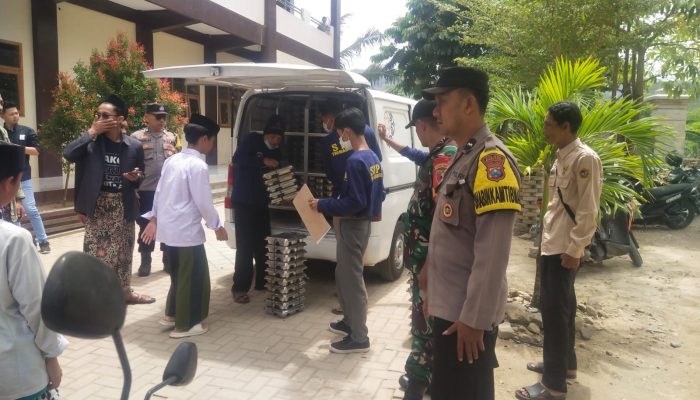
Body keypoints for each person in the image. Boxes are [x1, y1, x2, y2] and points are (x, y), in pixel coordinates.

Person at [420, 67, 522, 400]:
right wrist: (428, 278)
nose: (435, 111)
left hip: (465, 321)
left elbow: (493, 253)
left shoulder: (492, 162)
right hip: (449, 309)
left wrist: (474, 320)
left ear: (468, 105)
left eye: (442, 101)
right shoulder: (463, 155)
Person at [516, 102, 602, 400]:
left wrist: (576, 248)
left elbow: (589, 210)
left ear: (566, 127)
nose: (544, 129)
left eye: (549, 124)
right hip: (553, 244)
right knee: (563, 309)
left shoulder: (585, 159)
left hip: (565, 248)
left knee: (554, 314)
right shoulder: (561, 156)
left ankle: (553, 386)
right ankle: (565, 366)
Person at [378, 99, 457, 400]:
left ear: (422, 125)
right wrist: (388, 140)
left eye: (417, 129)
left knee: (423, 328)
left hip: (430, 265)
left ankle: (416, 383)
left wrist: (429, 267)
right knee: (429, 324)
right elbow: (415, 155)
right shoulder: (439, 154)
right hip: (428, 263)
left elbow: (442, 219)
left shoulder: (443, 160)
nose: (418, 134)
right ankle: (430, 379)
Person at [141, 114, 228, 338]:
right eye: (212, 140)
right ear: (205, 139)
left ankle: (172, 313)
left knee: (179, 274)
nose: (212, 145)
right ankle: (186, 325)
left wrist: (154, 219)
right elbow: (204, 202)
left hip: (169, 230)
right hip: (186, 232)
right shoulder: (197, 165)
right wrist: (217, 226)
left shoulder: (172, 160)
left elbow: (159, 192)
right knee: (195, 277)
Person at [63, 94, 154, 305]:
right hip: (98, 205)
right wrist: (92, 132)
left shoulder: (133, 145)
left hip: (124, 204)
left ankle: (125, 292)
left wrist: (136, 177)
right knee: (96, 253)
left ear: (120, 119)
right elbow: (68, 154)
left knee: (124, 252)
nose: (99, 118)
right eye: (97, 115)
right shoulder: (90, 142)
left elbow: (142, 174)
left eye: (105, 115)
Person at [309, 107, 385, 354]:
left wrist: (322, 204)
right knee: (343, 274)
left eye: (340, 131)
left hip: (352, 225)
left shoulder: (354, 161)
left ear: (348, 131)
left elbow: (355, 202)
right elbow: (378, 194)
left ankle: (359, 337)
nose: (339, 136)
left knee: (352, 281)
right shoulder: (372, 157)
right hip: (358, 224)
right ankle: (349, 322)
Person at [0, 142, 68, 400]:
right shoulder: (13, 239)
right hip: (13, 372)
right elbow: (37, 307)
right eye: (19, 181)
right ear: (9, 182)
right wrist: (52, 355)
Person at [230, 115, 285, 304]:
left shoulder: (277, 152)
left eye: (279, 139)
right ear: (265, 134)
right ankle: (240, 288)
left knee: (264, 243)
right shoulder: (252, 140)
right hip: (243, 201)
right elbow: (237, 158)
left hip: (261, 202)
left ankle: (262, 282)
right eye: (273, 137)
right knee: (245, 246)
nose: (276, 141)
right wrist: (262, 161)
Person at [131, 103, 178, 277]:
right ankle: (146, 261)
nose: (162, 120)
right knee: (145, 225)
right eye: (158, 117)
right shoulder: (136, 137)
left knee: (167, 224)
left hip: (167, 191)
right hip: (146, 190)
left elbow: (177, 162)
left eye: (164, 117)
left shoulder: (172, 137)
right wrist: (133, 188)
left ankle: (168, 260)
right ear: (147, 117)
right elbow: (131, 163)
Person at [2, 102, 51, 253]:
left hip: (23, 177)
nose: (15, 116)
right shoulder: (2, 133)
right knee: (12, 213)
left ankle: (43, 241)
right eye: (11, 114)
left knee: (30, 209)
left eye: (17, 113)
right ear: (3, 116)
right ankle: (20, 245)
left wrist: (18, 148)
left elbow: (37, 151)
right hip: (5, 179)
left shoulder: (27, 131)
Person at [319, 99, 382, 198]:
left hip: (343, 194)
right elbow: (378, 160)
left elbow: (330, 174)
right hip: (369, 192)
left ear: (331, 119)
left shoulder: (352, 161)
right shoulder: (368, 131)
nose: (342, 138)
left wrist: (321, 204)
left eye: (323, 121)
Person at [0, 93, 26, 225]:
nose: (0, 107)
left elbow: (12, 167)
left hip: (5, 198)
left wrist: (18, 199)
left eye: (1, 103)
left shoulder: (2, 132)